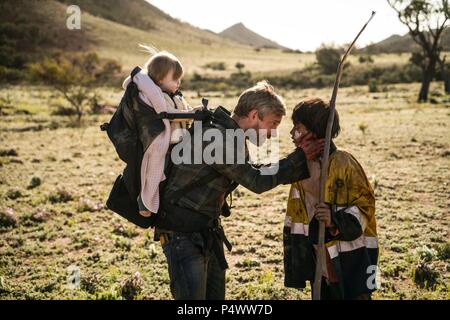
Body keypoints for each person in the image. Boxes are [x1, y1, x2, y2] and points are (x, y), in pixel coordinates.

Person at [158, 81, 325, 300]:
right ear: (254, 115)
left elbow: (252, 171)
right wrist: (299, 158)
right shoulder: (217, 138)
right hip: (183, 235)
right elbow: (255, 180)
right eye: (273, 124)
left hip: (205, 231)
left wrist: (297, 161)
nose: (273, 133)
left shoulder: (231, 136)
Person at [283, 98, 379, 300]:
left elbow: (366, 205)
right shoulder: (300, 166)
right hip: (317, 255)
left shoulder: (344, 163)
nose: (292, 134)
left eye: (298, 128)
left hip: (350, 256)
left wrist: (334, 219)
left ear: (315, 132)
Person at [122, 50, 201, 218]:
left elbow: (184, 110)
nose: (179, 82)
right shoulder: (158, 98)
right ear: (159, 79)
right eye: (175, 79)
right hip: (165, 145)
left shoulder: (176, 96)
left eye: (180, 79)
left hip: (180, 142)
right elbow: (167, 113)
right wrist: (191, 114)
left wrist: (194, 112)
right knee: (155, 172)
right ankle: (145, 202)